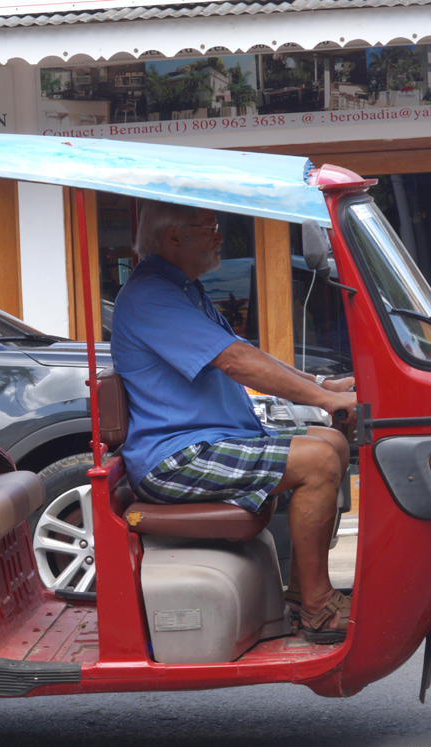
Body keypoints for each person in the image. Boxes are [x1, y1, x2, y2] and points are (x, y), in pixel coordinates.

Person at [111, 199, 357, 644]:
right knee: (318, 460)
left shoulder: (183, 288)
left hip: (206, 441)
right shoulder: (152, 294)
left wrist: (324, 385)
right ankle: (320, 608)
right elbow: (235, 361)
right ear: (174, 236)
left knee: (332, 443)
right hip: (176, 458)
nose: (220, 237)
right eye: (211, 227)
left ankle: (304, 593)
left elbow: (246, 351)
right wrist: (323, 397)